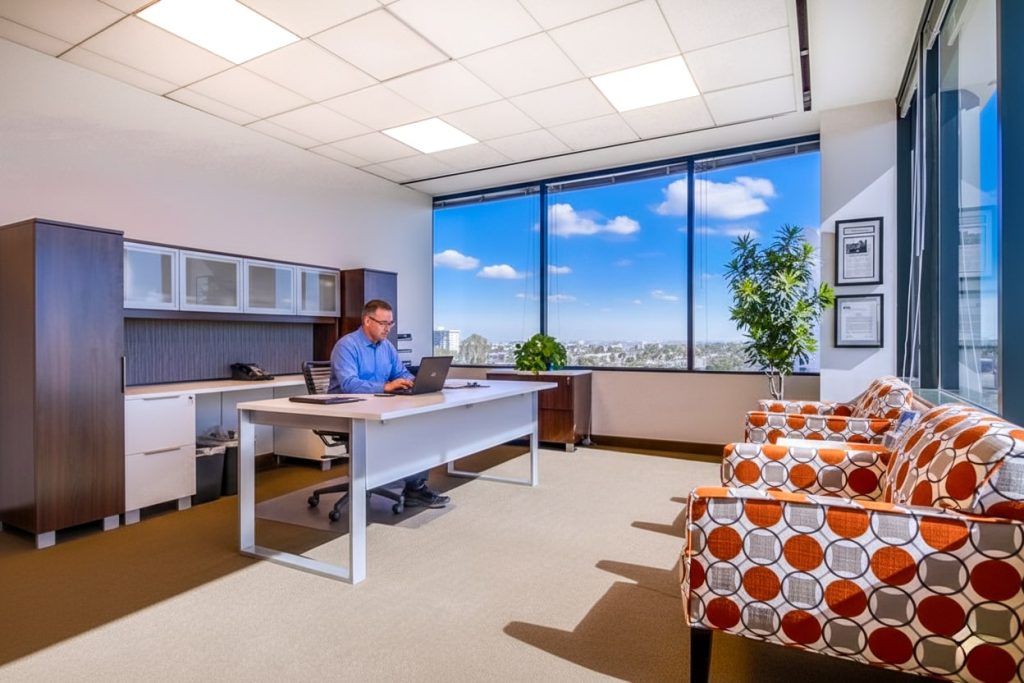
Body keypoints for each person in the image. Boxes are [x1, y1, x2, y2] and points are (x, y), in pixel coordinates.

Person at [328, 299, 450, 509]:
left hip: (379, 408)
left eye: (391, 324)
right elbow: (349, 384)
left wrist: (413, 381)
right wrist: (385, 386)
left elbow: (400, 373)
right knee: (410, 431)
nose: (388, 329)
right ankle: (413, 488)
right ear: (368, 320)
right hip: (349, 413)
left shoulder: (387, 347)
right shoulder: (347, 346)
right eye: (384, 323)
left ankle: (415, 488)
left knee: (421, 423)